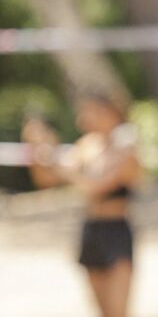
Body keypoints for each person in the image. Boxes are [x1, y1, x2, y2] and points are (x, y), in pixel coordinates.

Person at [22, 93, 141, 317]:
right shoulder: (87, 146)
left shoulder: (126, 148)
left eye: (92, 111)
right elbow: (46, 179)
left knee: (118, 312)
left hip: (117, 233)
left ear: (111, 112)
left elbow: (98, 186)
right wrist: (39, 149)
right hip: (91, 232)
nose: (85, 118)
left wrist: (56, 162)